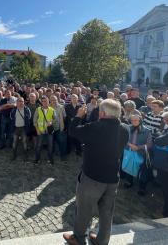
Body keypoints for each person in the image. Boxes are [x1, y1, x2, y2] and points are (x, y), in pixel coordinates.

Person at [63, 99, 129, 245]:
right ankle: (102, 240)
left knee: (84, 209)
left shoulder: (96, 127)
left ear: (103, 113)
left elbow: (73, 131)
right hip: (112, 178)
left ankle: (78, 238)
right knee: (106, 213)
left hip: (92, 177)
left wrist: (79, 116)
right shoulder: (124, 129)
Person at [123, 114, 153, 195]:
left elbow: (149, 144)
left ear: (140, 121)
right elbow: (123, 138)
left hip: (141, 153)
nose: (134, 122)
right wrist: (130, 145)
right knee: (129, 167)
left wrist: (138, 147)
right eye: (132, 120)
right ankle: (129, 182)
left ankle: (142, 188)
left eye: (136, 120)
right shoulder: (128, 128)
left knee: (142, 171)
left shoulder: (147, 130)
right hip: (128, 151)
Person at [33, 96, 56, 165]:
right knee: (39, 145)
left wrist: (51, 122)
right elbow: (34, 120)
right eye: (42, 101)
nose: (44, 102)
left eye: (45, 101)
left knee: (50, 145)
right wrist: (37, 130)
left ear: (48, 101)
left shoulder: (52, 110)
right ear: (41, 102)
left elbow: (55, 119)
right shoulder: (38, 109)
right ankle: (37, 159)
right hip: (40, 130)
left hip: (49, 131)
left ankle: (50, 159)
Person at [50, 95, 67, 161]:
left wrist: (62, 124)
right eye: (52, 100)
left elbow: (64, 116)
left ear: (57, 100)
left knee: (61, 142)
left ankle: (63, 155)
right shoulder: (47, 107)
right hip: (51, 128)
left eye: (55, 100)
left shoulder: (61, 107)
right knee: (51, 141)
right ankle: (52, 154)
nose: (54, 101)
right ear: (50, 101)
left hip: (59, 127)